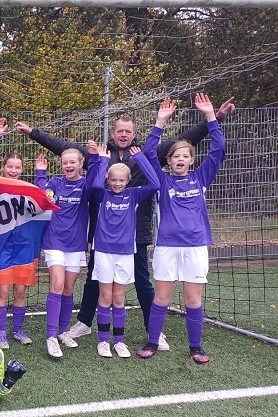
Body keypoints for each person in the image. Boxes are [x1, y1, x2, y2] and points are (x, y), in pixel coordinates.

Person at [14, 96, 235, 348]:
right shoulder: (101, 153)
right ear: (113, 133)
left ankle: (153, 330)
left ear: (134, 134)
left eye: (128, 131)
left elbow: (184, 141)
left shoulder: (143, 154)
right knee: (95, 278)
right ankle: (84, 322)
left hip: (135, 230)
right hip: (102, 231)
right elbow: (64, 148)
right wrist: (34, 133)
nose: (123, 134)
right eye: (119, 131)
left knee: (141, 280)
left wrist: (214, 118)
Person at [136, 95, 226, 364]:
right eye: (176, 156)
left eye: (185, 156)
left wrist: (210, 117)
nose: (180, 159)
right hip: (167, 247)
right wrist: (160, 121)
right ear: (169, 159)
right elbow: (148, 154)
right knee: (162, 297)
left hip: (196, 246)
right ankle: (153, 342)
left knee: (193, 299)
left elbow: (218, 150)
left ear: (191, 160)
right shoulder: (162, 181)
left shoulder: (201, 178)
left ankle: (195, 347)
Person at [88, 144, 159, 358]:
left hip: (126, 253)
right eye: (113, 180)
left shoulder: (134, 195)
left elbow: (155, 183)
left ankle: (119, 341)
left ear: (128, 181)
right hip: (103, 252)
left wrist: (141, 159)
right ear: (108, 180)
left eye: (121, 180)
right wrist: (102, 160)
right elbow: (94, 184)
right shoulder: (102, 195)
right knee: (105, 297)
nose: (117, 183)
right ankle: (103, 341)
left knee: (118, 299)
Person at [35, 142, 106, 359]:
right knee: (57, 284)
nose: (68, 165)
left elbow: (96, 185)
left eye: (72, 162)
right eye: (65, 162)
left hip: (76, 244)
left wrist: (96, 158)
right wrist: (40, 173)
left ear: (81, 164)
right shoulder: (55, 183)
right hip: (55, 241)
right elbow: (42, 194)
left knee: (68, 288)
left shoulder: (85, 186)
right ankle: (51, 336)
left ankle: (63, 331)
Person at [0, 117, 34, 346]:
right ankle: (1, 332)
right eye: (9, 167)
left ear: (22, 169)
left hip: (23, 247)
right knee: (2, 291)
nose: (13, 170)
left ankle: (18, 330)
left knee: (20, 292)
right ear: (3, 168)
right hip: (2, 247)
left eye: (17, 167)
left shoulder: (29, 189)